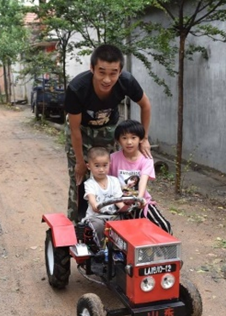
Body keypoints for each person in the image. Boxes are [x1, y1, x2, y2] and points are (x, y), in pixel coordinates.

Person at [64, 44, 152, 222]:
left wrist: (144, 138)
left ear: (120, 71)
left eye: (113, 73)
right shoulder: (77, 88)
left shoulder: (126, 81)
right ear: (92, 68)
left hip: (108, 130)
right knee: (79, 178)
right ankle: (77, 223)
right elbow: (74, 129)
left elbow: (145, 105)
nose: (107, 79)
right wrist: (81, 162)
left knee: (110, 175)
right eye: (101, 72)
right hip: (81, 130)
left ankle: (113, 220)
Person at [109, 120, 172, 234]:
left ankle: (158, 251)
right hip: (117, 202)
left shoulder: (146, 159)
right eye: (124, 138)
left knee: (164, 227)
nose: (129, 142)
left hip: (141, 202)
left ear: (141, 139)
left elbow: (143, 180)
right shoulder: (112, 158)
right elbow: (107, 183)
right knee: (118, 233)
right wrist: (120, 204)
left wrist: (139, 198)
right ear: (118, 140)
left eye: (133, 137)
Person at [82, 147, 124, 251]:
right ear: (89, 166)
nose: (101, 169)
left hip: (112, 216)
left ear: (110, 164)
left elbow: (119, 201)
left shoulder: (114, 181)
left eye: (105, 165)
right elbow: (93, 203)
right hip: (96, 217)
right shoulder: (90, 184)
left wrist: (126, 208)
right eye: (97, 166)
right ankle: (100, 252)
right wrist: (95, 205)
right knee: (99, 226)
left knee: (124, 223)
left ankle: (121, 250)